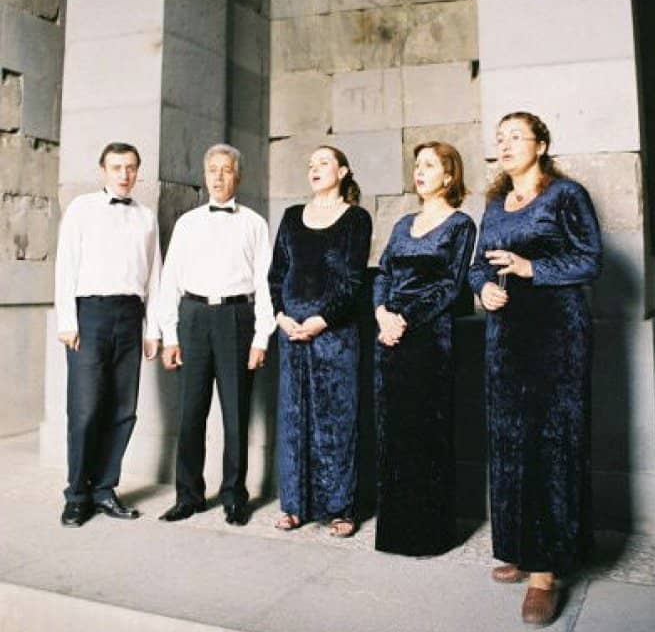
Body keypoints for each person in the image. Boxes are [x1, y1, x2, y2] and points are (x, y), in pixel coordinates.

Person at [468, 112, 602, 626]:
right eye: (499, 138)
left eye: (515, 137)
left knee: (550, 441)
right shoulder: (495, 203)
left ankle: (546, 573)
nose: (504, 144)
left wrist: (531, 269)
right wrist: (484, 287)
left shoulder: (567, 196)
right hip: (506, 335)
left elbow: (591, 259)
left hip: (557, 334)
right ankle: (521, 547)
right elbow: (480, 263)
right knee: (510, 439)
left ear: (541, 144)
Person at [158, 144, 274, 526]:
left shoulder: (255, 223)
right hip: (192, 317)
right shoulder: (188, 223)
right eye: (213, 170)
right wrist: (170, 335)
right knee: (191, 411)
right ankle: (188, 495)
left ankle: (234, 497)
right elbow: (170, 278)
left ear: (237, 176)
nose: (219, 177)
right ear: (205, 176)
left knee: (235, 412)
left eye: (226, 170)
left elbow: (265, 283)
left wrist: (261, 338)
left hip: (237, 317)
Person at [373, 142, 475, 556]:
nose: (420, 171)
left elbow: (450, 286)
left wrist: (405, 319)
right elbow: (382, 272)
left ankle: (429, 536)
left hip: (430, 341)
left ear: (449, 176)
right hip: (390, 339)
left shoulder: (460, 225)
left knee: (426, 435)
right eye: (417, 165)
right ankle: (395, 535)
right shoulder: (402, 225)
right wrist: (381, 313)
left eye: (429, 165)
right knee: (393, 433)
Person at [54, 142, 161, 527]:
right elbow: (66, 264)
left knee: (122, 410)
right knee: (84, 410)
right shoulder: (82, 209)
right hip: (90, 314)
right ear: (103, 170)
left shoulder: (146, 217)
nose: (124, 174)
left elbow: (154, 274)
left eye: (131, 167)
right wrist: (68, 319)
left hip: (131, 316)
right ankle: (77, 495)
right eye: (116, 167)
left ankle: (104, 489)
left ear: (137, 171)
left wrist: (155, 328)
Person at [268, 145, 372, 537]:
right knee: (293, 419)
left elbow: (354, 282)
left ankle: (340, 508)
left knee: (335, 420)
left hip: (335, 333)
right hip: (291, 331)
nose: (314, 168)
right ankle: (294, 506)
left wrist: (320, 320)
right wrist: (281, 315)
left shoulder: (356, 219)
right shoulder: (292, 216)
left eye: (323, 162)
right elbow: (277, 273)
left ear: (343, 171)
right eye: (310, 163)